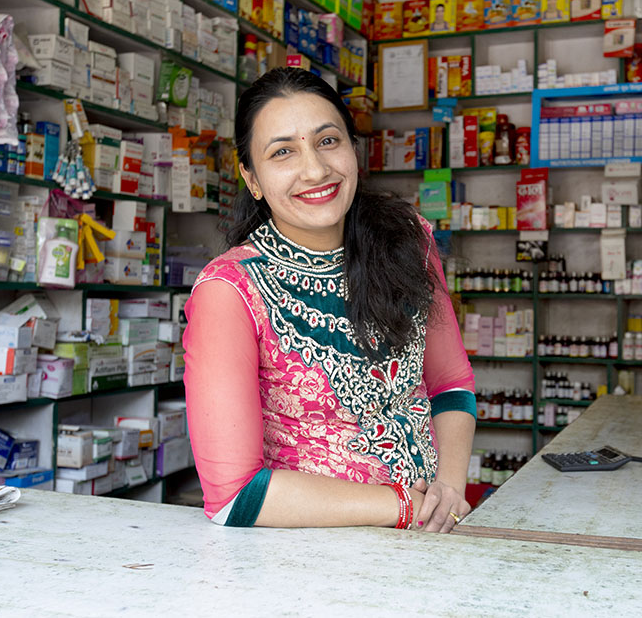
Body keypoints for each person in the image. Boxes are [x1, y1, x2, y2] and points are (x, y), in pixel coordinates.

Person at [183, 67, 476, 534]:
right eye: (283, 152)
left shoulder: (409, 239)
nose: (316, 170)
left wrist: (450, 489)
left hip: (432, 536)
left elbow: (450, 383)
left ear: (352, 149)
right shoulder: (229, 290)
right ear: (252, 178)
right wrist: (400, 507)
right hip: (311, 559)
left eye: (327, 141)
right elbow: (234, 495)